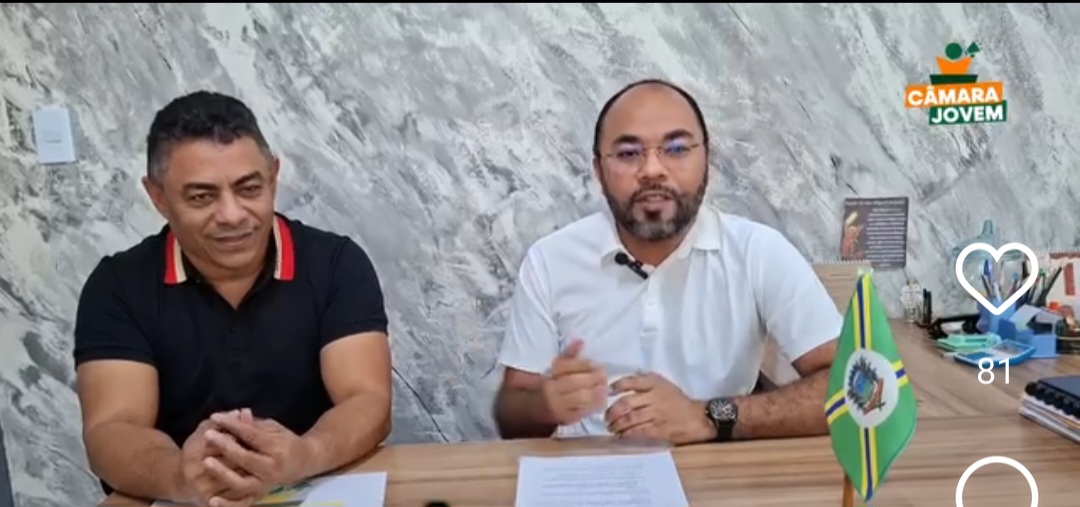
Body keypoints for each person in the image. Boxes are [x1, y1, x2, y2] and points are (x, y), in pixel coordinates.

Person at [73, 91, 392, 507]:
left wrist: (305, 454)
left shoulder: (335, 263)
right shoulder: (118, 285)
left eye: (249, 188)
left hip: (317, 488)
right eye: (202, 197)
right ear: (158, 198)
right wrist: (181, 477)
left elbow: (367, 399)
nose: (232, 215)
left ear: (273, 178)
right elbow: (112, 428)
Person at [493, 79, 842, 445]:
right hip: (585, 470)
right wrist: (544, 405)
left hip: (714, 470)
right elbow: (512, 415)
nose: (652, 170)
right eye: (628, 153)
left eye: (676, 149)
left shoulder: (759, 252)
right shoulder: (551, 259)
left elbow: (854, 390)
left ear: (707, 159)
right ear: (598, 170)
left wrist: (708, 417)